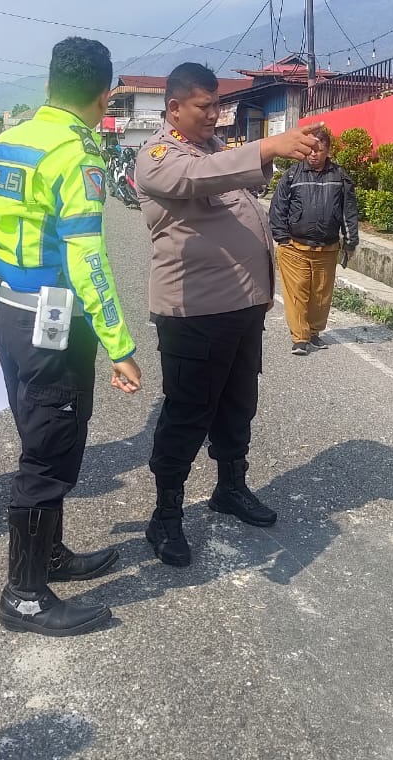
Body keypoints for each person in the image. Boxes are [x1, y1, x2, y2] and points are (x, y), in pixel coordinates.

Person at [0, 39, 141, 638]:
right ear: (104, 95)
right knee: (47, 455)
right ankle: (23, 595)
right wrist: (119, 344)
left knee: (40, 436)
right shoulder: (76, 154)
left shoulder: (9, 140)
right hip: (55, 323)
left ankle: (48, 555)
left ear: (48, 85)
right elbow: (87, 258)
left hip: (10, 314)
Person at [135, 62, 323, 568]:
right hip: (193, 311)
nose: (215, 115)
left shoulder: (214, 150)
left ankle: (230, 487)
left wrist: (288, 154)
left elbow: (240, 183)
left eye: (218, 104)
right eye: (205, 106)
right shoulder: (158, 156)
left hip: (241, 307)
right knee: (187, 413)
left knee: (238, 404)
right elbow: (196, 179)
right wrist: (266, 147)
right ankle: (166, 515)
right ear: (174, 108)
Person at [269, 124, 359, 355]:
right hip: (294, 247)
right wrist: (281, 238)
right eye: (309, 150)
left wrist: (350, 243)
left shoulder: (340, 177)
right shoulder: (291, 176)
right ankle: (300, 337)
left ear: (328, 150)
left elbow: (348, 212)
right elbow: (278, 208)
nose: (313, 154)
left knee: (321, 294)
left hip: (327, 248)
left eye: (318, 150)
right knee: (297, 291)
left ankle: (314, 332)